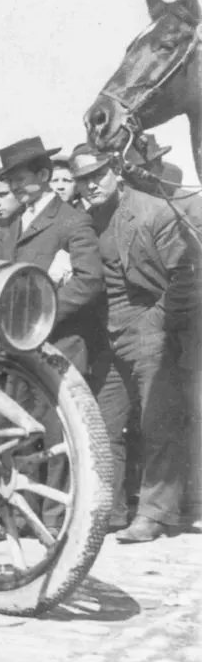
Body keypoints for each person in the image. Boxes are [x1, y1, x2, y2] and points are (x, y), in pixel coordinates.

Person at [72, 145, 200, 541]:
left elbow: (189, 276)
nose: (92, 185)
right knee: (103, 425)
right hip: (107, 337)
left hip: (148, 328)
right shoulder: (86, 220)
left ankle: (155, 514)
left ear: (116, 171)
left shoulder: (152, 211)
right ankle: (109, 512)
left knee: (158, 423)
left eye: (98, 175)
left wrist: (154, 322)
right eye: (83, 180)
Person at [0, 136, 104, 376]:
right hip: (16, 347)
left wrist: (40, 315)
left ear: (43, 176)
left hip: (60, 346)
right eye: (10, 181)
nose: (13, 187)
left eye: (19, 179)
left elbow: (89, 280)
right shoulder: (10, 225)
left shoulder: (73, 221)